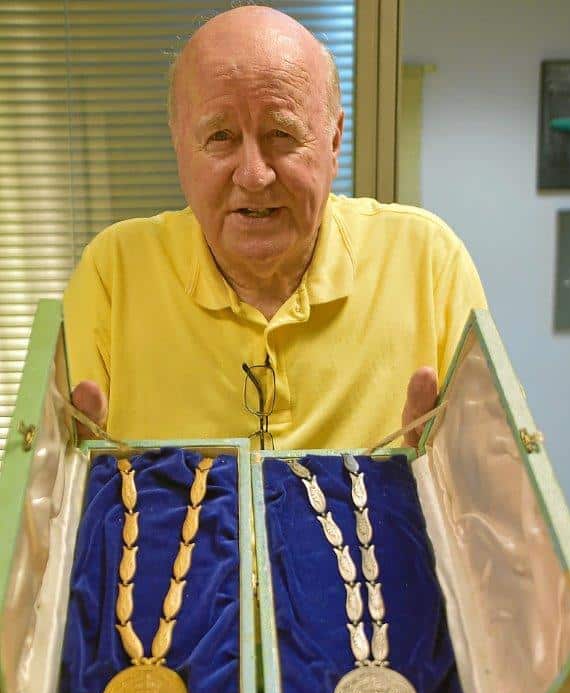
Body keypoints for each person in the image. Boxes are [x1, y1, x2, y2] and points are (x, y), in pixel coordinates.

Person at [65, 5, 486, 450]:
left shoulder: (427, 261)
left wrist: (448, 482)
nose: (253, 175)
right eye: (220, 138)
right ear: (179, 145)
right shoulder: (114, 271)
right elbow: (48, 489)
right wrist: (69, 489)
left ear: (334, 140)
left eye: (281, 134)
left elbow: (498, 487)